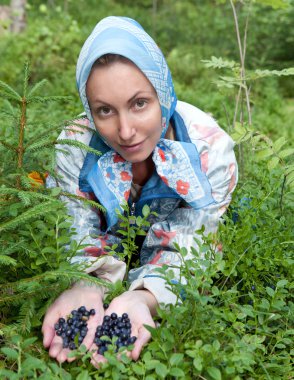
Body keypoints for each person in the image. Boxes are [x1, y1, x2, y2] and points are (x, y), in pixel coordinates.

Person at [42, 16, 238, 366]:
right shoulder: (75, 147)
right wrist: (85, 285)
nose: (126, 131)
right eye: (105, 110)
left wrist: (145, 298)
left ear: (161, 91)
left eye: (139, 103)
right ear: (90, 110)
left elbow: (190, 242)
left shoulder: (210, 149)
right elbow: (76, 226)